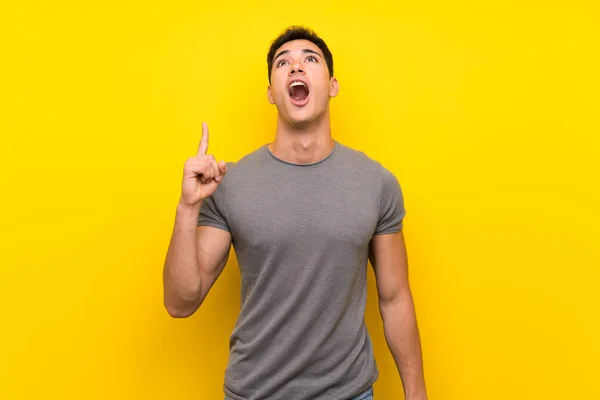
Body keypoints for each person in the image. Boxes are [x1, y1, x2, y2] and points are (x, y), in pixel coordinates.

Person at [163, 26, 428, 400]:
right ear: (272, 93)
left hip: (348, 394)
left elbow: (396, 297)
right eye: (282, 63)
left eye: (310, 59)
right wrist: (188, 207)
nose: (295, 68)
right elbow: (180, 302)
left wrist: (417, 393)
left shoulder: (376, 183)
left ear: (333, 85)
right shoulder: (231, 184)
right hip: (254, 393)